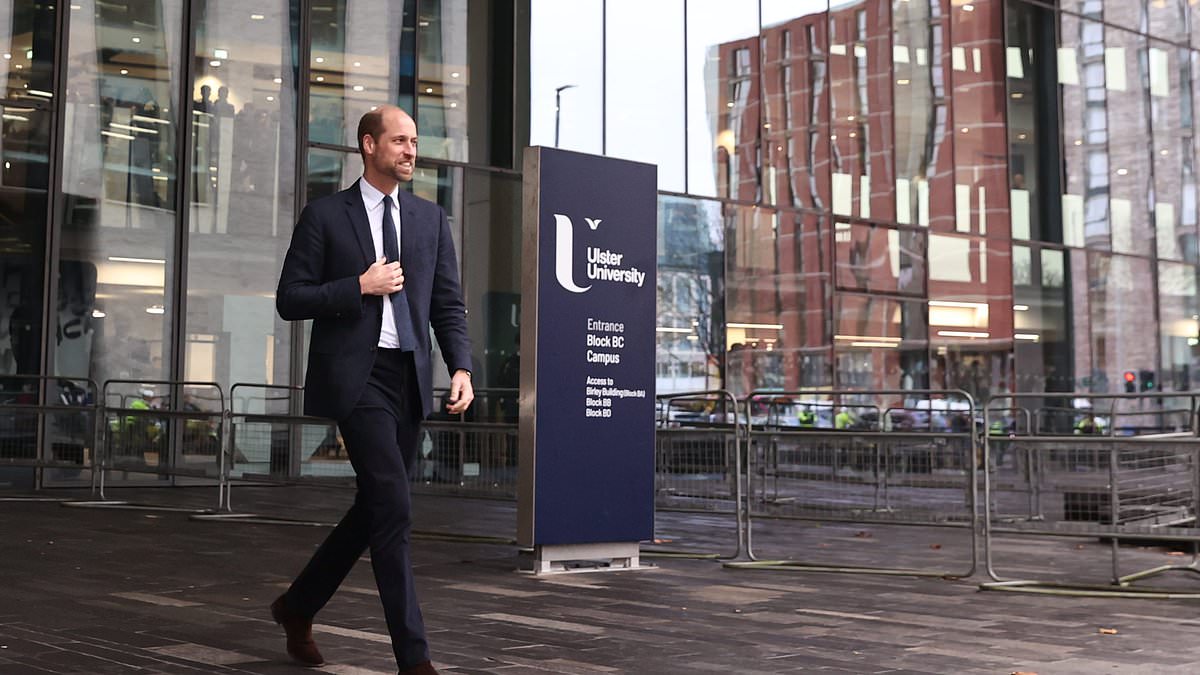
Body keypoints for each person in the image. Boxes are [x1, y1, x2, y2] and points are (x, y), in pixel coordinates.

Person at [271, 105, 473, 675]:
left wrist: (461, 368)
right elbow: (290, 298)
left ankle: (297, 606)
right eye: (400, 141)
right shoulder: (325, 216)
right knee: (394, 506)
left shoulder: (431, 221)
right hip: (355, 379)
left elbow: (447, 305)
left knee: (376, 508)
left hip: (407, 377)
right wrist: (358, 286)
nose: (412, 151)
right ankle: (414, 659)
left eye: (415, 142)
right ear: (368, 145)